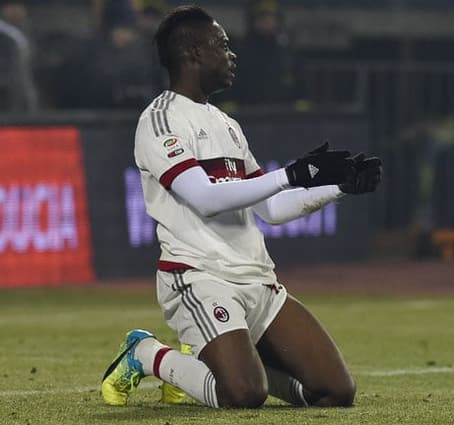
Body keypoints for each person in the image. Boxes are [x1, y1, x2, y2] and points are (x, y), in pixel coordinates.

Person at [100, 5, 382, 409]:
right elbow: (206, 199)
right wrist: (291, 173)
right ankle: (146, 353)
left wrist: (339, 188)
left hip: (257, 280)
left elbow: (271, 210)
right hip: (199, 277)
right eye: (222, 46)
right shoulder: (160, 121)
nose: (232, 55)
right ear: (193, 53)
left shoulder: (227, 124)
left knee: (336, 392)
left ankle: (222, 361)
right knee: (242, 393)